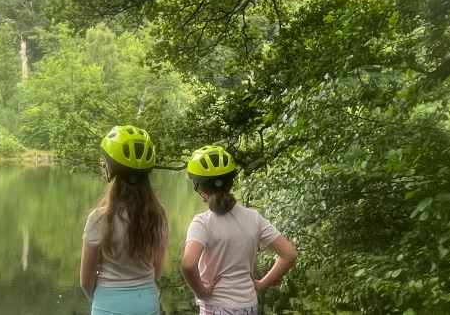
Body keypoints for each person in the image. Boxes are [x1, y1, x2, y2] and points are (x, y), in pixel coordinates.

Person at [180, 146, 298, 315]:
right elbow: (289, 254)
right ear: (231, 183)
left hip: (217, 306)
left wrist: (202, 292)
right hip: (248, 305)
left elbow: (188, 264)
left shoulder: (202, 223)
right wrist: (262, 284)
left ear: (199, 187)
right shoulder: (253, 217)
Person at [81, 125, 169, 315]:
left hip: (108, 305)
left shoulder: (98, 219)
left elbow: (86, 281)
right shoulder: (158, 216)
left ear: (110, 170)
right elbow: (158, 270)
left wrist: (107, 301)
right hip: (147, 302)